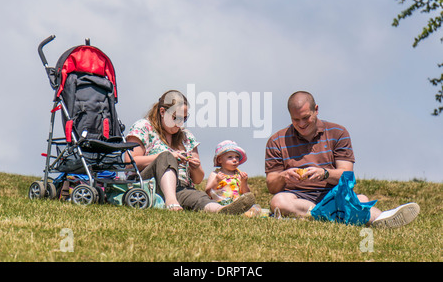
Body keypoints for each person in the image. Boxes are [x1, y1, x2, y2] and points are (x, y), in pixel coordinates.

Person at [265, 91, 420, 228]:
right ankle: (341, 214)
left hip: (333, 193)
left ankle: (381, 218)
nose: (301, 124)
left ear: (316, 110)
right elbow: (272, 186)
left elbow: (347, 176)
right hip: (298, 197)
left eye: (306, 118)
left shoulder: (338, 133)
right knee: (278, 201)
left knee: (356, 200)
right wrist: (283, 175)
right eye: (296, 119)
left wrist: (324, 173)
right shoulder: (277, 140)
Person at [125, 90, 255, 214]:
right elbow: (129, 162)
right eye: (176, 118)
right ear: (163, 112)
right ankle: (171, 202)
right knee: (166, 157)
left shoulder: (186, 136)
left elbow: (198, 179)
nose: (180, 124)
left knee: (199, 197)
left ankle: (222, 210)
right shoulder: (143, 127)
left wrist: (195, 166)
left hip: (181, 187)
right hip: (150, 183)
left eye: (184, 119)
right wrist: (166, 156)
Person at [205, 140, 251, 205]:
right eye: (230, 157)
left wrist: (244, 182)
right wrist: (216, 181)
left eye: (237, 157)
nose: (235, 160)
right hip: (219, 204)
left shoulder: (239, 175)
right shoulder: (215, 174)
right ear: (219, 159)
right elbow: (208, 192)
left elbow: (247, 195)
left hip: (237, 204)